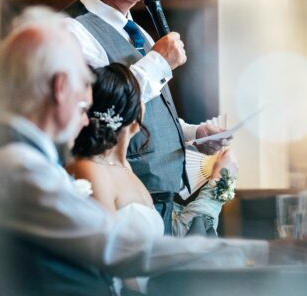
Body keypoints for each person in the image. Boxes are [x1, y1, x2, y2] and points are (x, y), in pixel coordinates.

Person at [0, 8, 307, 296]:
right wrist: (262, 252)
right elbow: (118, 247)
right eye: (85, 83)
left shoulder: (22, 159)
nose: (89, 106)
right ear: (61, 87)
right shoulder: (19, 167)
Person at [63, 0, 226, 233]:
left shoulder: (140, 34)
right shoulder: (72, 30)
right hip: (120, 203)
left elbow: (145, 114)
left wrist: (193, 134)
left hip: (169, 203)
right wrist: (159, 63)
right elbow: (102, 107)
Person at [69, 62, 231, 240]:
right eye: (142, 97)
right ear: (135, 112)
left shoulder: (125, 168)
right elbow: (104, 248)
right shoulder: (91, 170)